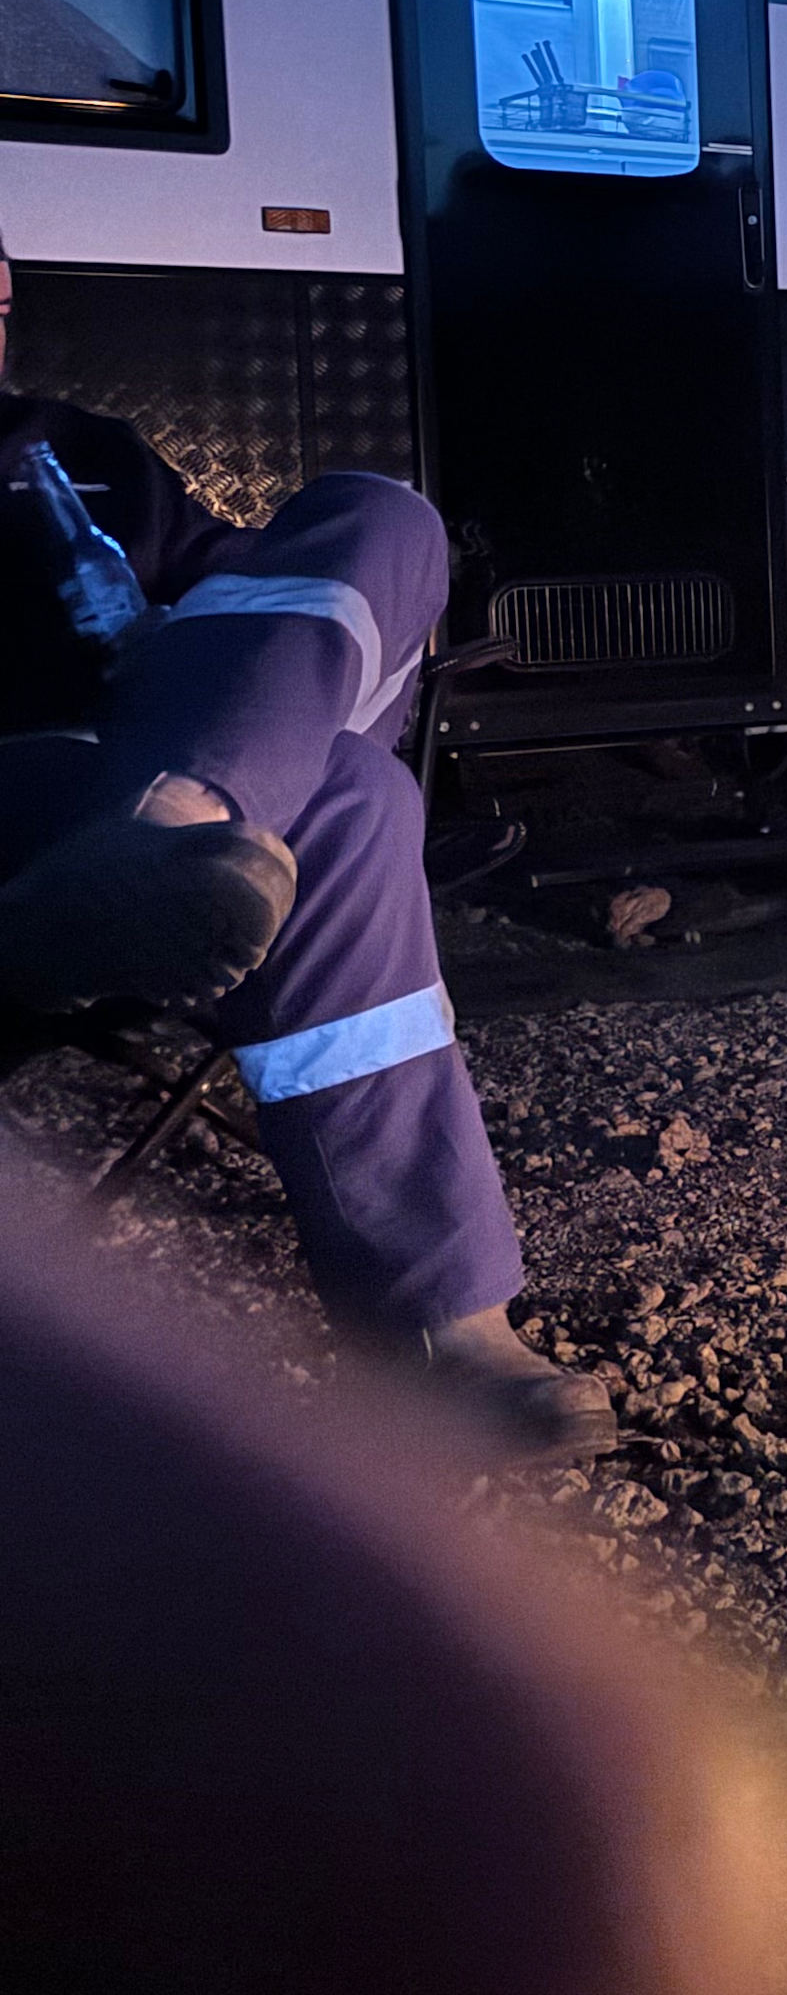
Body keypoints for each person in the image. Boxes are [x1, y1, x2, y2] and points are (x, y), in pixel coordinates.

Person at [0, 237, 611, 1458]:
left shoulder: (91, 450)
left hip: (157, 769)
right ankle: (438, 1326)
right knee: (351, 803)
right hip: (23, 792)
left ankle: (181, 818)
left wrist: (220, 693)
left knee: (378, 515)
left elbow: (250, 606)